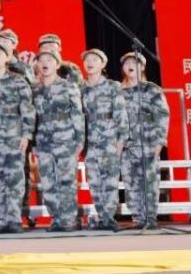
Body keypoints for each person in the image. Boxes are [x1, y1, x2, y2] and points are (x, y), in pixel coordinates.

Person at [0, 40, 36, 233]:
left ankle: (14, 220)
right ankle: (1, 221)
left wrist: (26, 135)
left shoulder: (18, 81)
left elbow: (27, 110)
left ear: (7, 58)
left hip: (13, 137)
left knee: (14, 180)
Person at [31, 51, 86, 232]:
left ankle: (68, 220)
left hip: (65, 139)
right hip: (43, 141)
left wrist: (79, 139)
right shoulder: (35, 89)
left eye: (49, 60)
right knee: (48, 182)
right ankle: (56, 218)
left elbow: (77, 114)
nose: (44, 63)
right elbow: (32, 118)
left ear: (57, 64)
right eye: (41, 60)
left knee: (66, 181)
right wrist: (33, 143)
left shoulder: (68, 86)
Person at [120, 52, 170, 230]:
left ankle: (150, 218)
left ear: (142, 67)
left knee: (149, 182)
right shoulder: (119, 91)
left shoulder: (152, 89)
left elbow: (163, 116)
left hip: (148, 142)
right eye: (126, 63)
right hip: (127, 145)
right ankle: (138, 218)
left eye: (135, 63)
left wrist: (160, 142)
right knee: (130, 182)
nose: (130, 66)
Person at [80, 49, 128, 230]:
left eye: (94, 59)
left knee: (109, 181)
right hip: (89, 141)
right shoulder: (80, 88)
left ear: (103, 64)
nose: (90, 63)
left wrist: (121, 139)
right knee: (94, 181)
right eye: (87, 60)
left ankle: (109, 218)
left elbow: (121, 113)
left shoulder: (112, 86)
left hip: (109, 139)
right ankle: (102, 216)